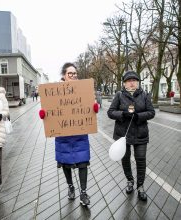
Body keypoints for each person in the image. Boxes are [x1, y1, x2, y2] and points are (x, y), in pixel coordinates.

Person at [39, 62, 99, 206]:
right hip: (63, 135)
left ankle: (83, 193)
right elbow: (49, 110)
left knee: (83, 163)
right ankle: (70, 187)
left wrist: (95, 107)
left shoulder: (84, 90)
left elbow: (91, 107)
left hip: (80, 135)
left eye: (75, 73)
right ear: (64, 76)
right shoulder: (55, 90)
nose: (73, 75)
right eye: (70, 73)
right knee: (66, 164)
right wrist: (43, 114)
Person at [107, 70, 155, 201]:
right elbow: (110, 112)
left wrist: (139, 116)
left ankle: (140, 186)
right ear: (124, 84)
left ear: (138, 83)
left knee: (141, 160)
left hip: (140, 134)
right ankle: (130, 181)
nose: (132, 83)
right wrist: (122, 114)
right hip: (123, 135)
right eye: (129, 81)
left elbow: (151, 112)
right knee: (125, 159)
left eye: (134, 80)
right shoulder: (119, 95)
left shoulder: (145, 95)